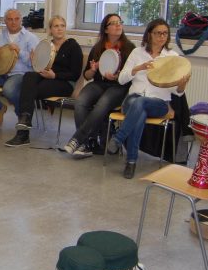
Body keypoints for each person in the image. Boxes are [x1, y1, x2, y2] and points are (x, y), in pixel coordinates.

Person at [106, 18, 190, 179]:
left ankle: (120, 140)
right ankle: (130, 161)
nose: (161, 36)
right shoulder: (137, 53)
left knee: (141, 104)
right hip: (132, 100)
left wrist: (181, 85)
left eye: (165, 33)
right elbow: (121, 79)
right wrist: (139, 68)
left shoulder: (172, 57)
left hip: (160, 103)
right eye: (158, 33)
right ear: (149, 35)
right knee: (139, 108)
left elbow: (177, 92)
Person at [63, 13, 135, 158]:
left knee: (103, 103)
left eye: (119, 22)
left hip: (119, 86)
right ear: (106, 29)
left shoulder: (129, 48)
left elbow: (130, 77)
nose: (118, 25)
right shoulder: (98, 48)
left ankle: (78, 139)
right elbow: (87, 76)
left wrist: (117, 76)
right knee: (81, 101)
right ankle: (87, 144)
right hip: (99, 83)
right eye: (113, 23)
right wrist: (93, 69)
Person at [8, 16, 83, 147]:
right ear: (50, 30)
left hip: (64, 83)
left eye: (62, 26)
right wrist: (34, 62)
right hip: (45, 77)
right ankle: (25, 120)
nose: (59, 29)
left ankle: (23, 133)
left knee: (30, 90)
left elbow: (75, 75)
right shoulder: (46, 45)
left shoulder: (73, 46)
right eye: (56, 26)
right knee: (29, 76)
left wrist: (55, 75)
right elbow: (40, 67)